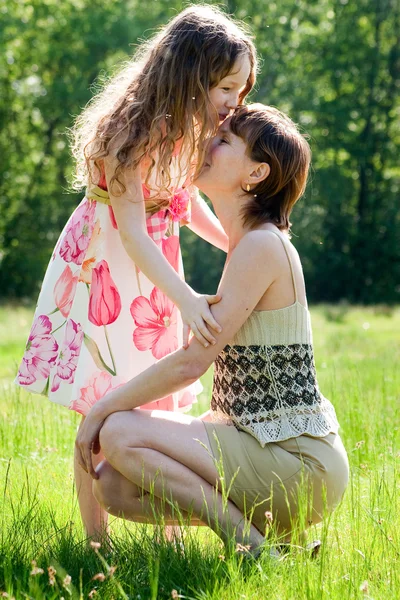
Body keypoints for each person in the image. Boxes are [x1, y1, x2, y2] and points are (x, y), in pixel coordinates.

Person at [15, 6, 258, 540]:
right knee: (104, 400)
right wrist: (188, 297)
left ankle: (168, 536)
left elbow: (181, 200)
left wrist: (233, 243)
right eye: (226, 87)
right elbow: (132, 232)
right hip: (107, 267)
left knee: (159, 400)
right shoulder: (130, 128)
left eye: (240, 91)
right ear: (191, 74)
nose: (234, 103)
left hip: (155, 273)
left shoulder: (194, 128)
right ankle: (95, 543)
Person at [75, 104, 349, 554]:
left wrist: (101, 409)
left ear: (255, 174)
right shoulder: (248, 244)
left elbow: (191, 365)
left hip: (298, 461)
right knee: (115, 488)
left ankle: (252, 548)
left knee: (119, 432)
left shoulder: (262, 244)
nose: (207, 144)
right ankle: (278, 542)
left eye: (223, 141)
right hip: (262, 448)